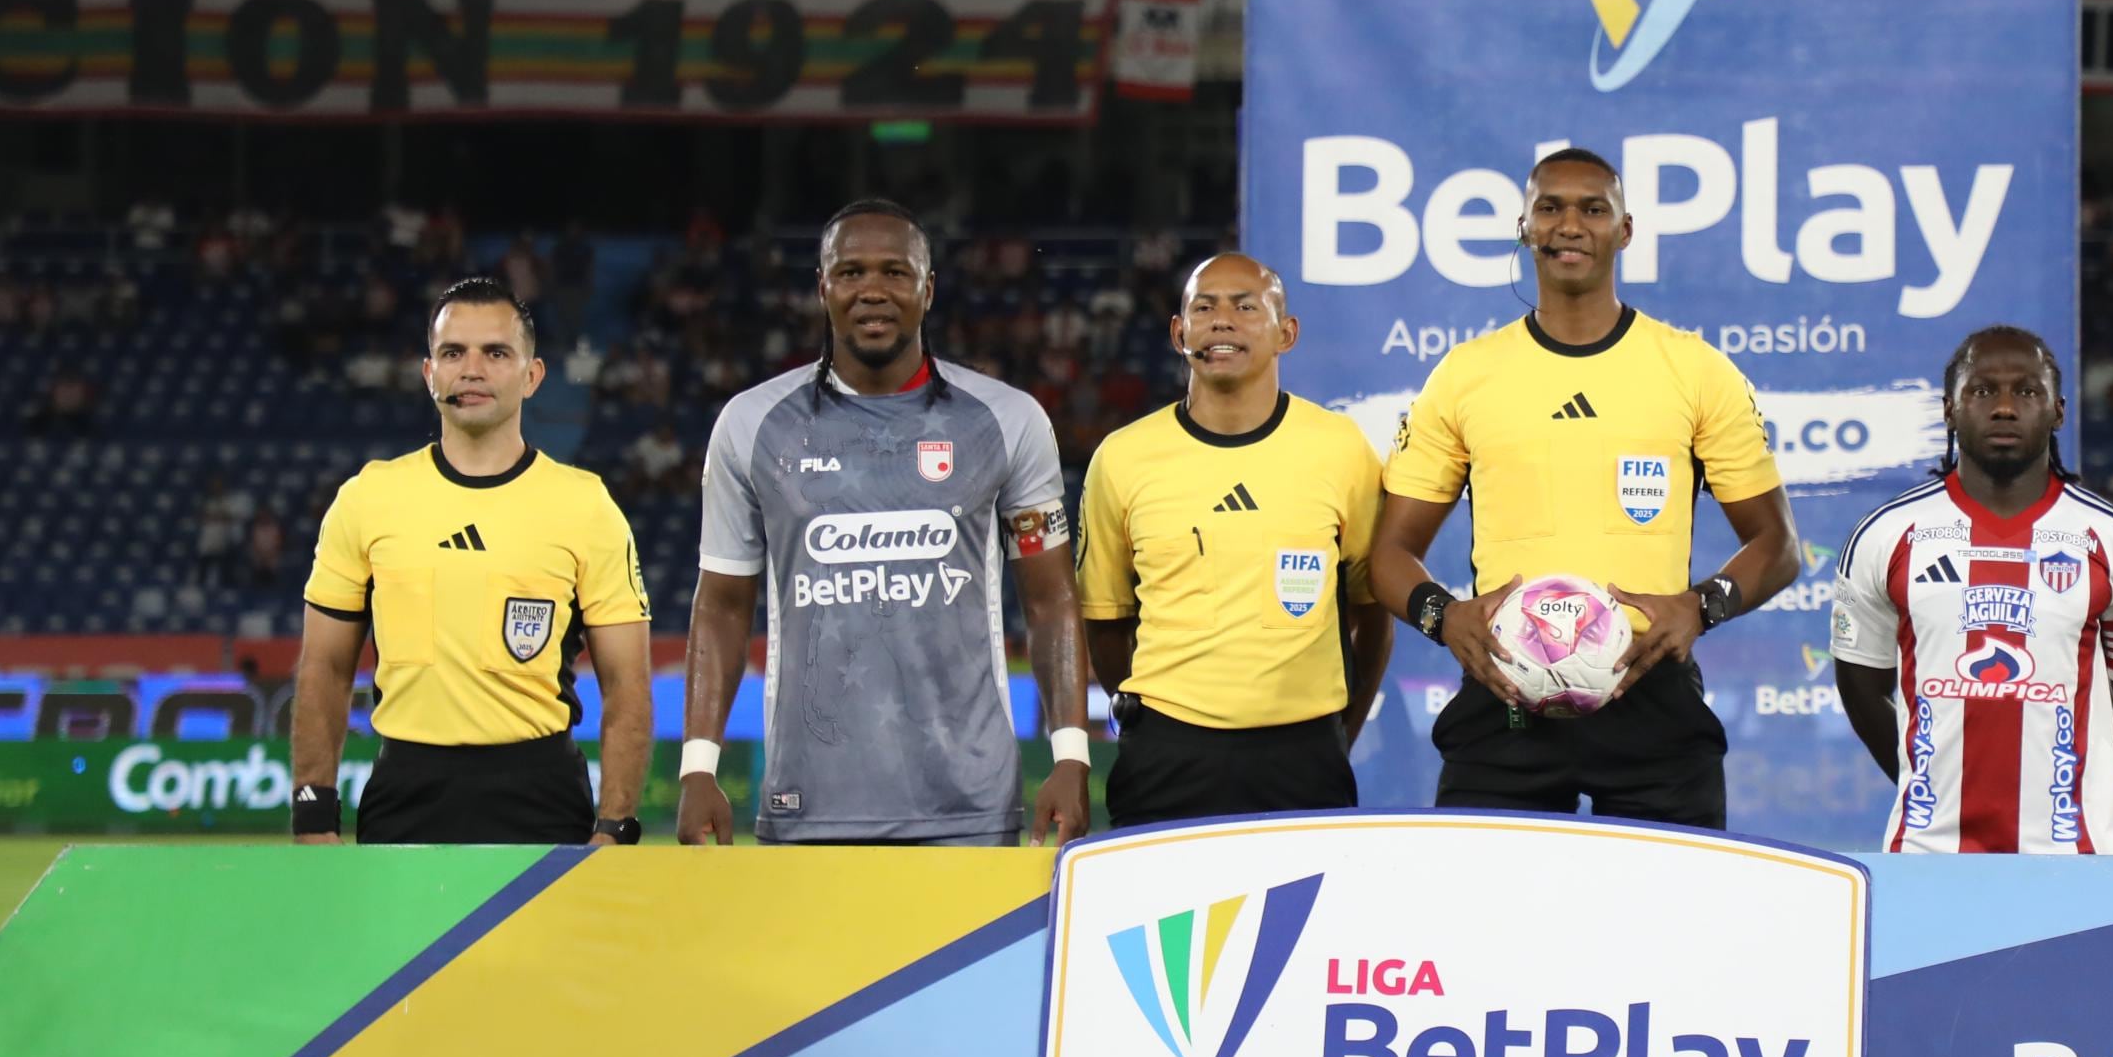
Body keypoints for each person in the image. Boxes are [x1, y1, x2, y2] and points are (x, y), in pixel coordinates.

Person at [1368, 149, 1801, 829]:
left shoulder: (1693, 369)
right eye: (1551, 208)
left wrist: (1700, 607)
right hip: (1505, 690)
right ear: (1524, 228)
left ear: (1624, 231)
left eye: (1593, 209)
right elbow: (1390, 552)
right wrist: (1444, 617)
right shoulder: (1465, 375)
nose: (1571, 224)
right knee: (1477, 927)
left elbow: (1776, 546)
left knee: (1675, 926)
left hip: (1650, 687)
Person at [678, 200, 1091, 848]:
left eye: (896, 273)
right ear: (822, 288)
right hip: (807, 800)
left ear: (928, 290)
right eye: (851, 273)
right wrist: (697, 766)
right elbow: (723, 605)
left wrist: (1071, 754)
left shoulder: (1008, 421)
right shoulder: (749, 425)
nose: (873, 289)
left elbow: (1051, 599)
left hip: (970, 806)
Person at [288, 277, 654, 846]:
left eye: (496, 353)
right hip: (404, 793)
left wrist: (616, 827)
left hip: (542, 797)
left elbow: (627, 685)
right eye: (453, 352)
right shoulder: (367, 498)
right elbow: (324, 669)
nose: (472, 369)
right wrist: (312, 814)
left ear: (532, 376)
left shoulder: (586, 505)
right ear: (428, 373)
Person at [1828, 326, 2113, 853]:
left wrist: (2079, 781)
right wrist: (1923, 773)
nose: (2006, 408)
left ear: (2058, 411)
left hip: (2070, 856)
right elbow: (1860, 685)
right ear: (1949, 409)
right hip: (1928, 855)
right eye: (1983, 390)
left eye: (2028, 391)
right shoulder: (1887, 534)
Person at [1078, 254, 1390, 827]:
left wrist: (1336, 729)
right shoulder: (1121, 458)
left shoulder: (1341, 448)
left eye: (1246, 307)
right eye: (1204, 307)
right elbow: (1105, 620)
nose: (1222, 320)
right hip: (1166, 756)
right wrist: (1152, 718)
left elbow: (1373, 614)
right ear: (1179, 333)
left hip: (1304, 756)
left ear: (1286, 334)